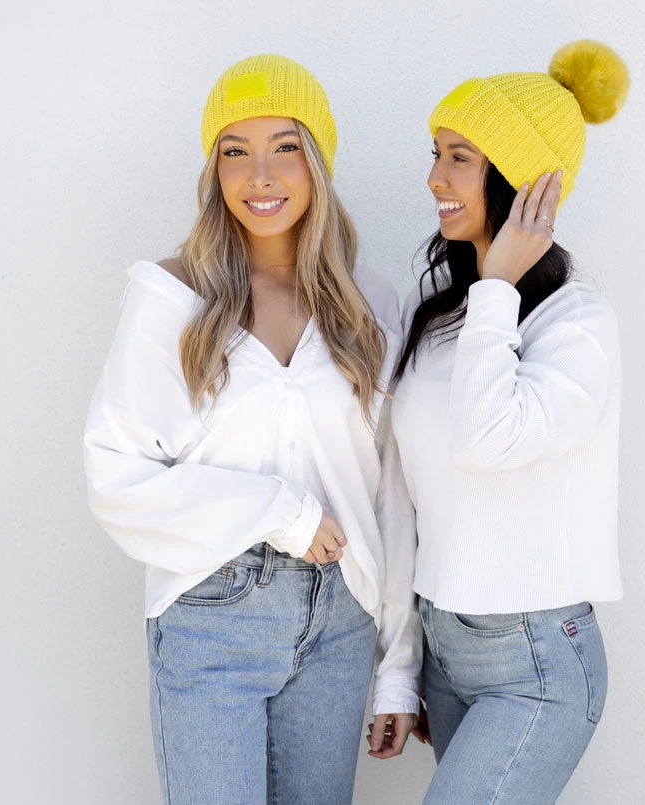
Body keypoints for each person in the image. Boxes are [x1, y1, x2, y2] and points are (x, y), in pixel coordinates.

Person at [83, 54, 420, 805]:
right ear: (214, 169)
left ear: (318, 161)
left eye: (284, 147)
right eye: (235, 151)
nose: (259, 176)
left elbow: (391, 496)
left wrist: (399, 664)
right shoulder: (172, 296)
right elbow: (115, 476)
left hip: (341, 620)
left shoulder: (370, 302)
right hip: (212, 615)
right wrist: (280, 512)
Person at [392, 40, 629, 803]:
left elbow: (486, 441)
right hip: (445, 645)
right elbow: (404, 491)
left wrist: (496, 284)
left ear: (521, 179)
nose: (436, 177)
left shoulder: (577, 324)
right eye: (437, 154)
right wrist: (403, 664)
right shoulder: (432, 315)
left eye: (460, 157)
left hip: (536, 659)